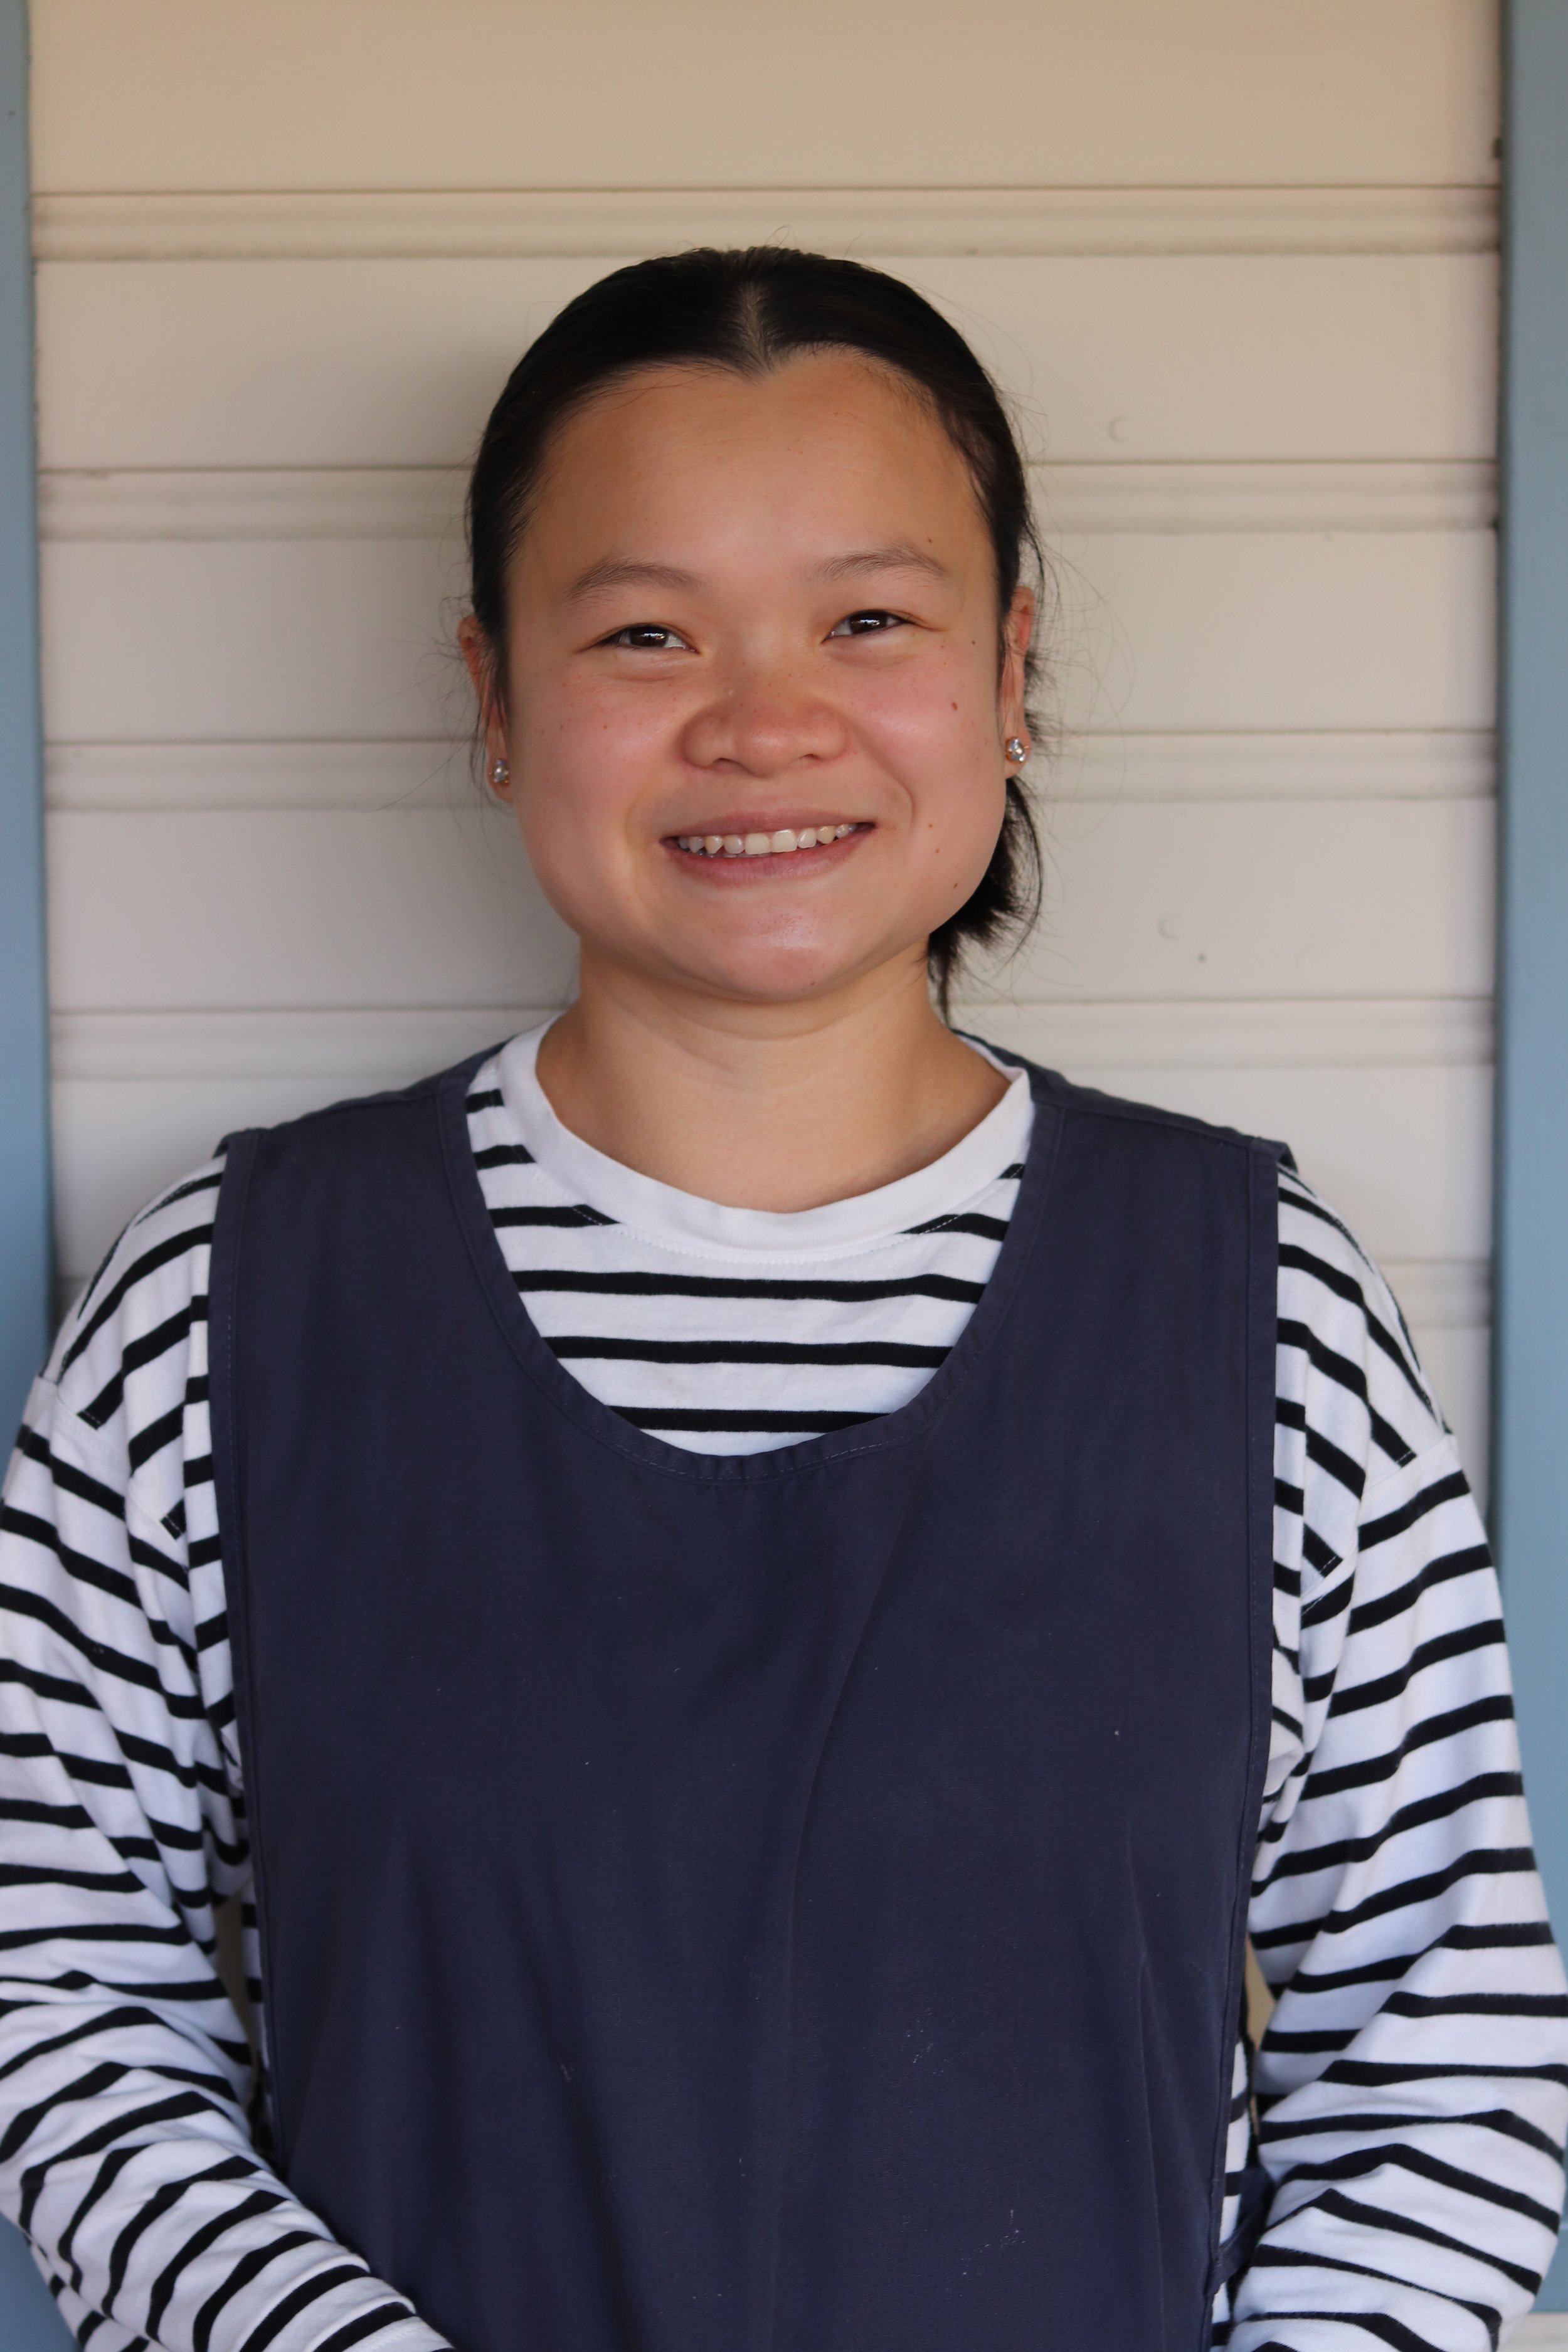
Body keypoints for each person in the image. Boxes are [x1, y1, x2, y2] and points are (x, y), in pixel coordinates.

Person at [0, 246, 1562, 2352]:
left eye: (869, 620)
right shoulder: (226, 1310)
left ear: (1009, 669)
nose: (762, 721)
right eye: (644, 631)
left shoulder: (1256, 1311)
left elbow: (1436, 2065)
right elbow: (57, 1987)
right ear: (489, 693)